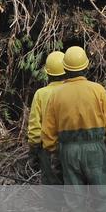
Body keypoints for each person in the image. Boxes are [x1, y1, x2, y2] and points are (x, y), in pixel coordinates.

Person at [41, 46, 106, 212]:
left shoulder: (56, 95)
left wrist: (54, 152)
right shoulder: (97, 90)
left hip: (68, 152)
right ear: (86, 67)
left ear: (66, 69)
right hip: (95, 149)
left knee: (74, 202)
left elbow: (47, 132)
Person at [28, 51, 67, 187]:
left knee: (52, 188)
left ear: (47, 72)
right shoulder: (73, 91)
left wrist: (34, 149)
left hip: (48, 149)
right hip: (71, 146)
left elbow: (34, 127)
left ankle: (54, 208)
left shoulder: (41, 94)